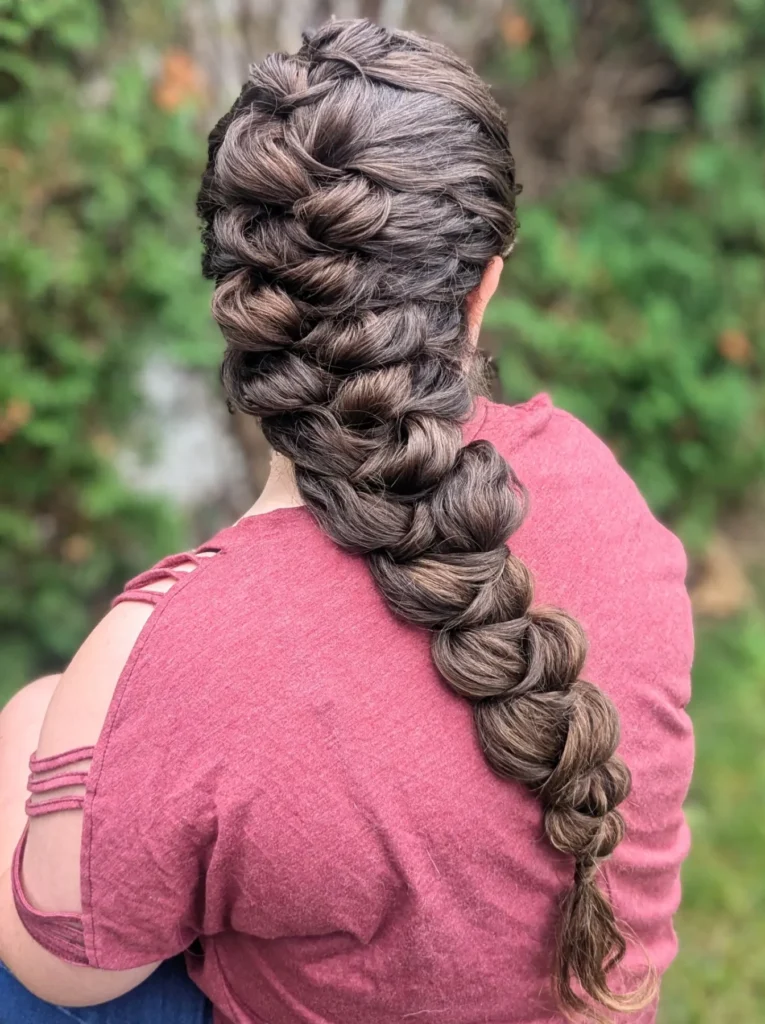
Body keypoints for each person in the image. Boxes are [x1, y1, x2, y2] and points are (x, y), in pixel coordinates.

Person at [0, 18, 694, 1024]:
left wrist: (34, 722)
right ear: (483, 288)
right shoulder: (602, 492)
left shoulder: (174, 654)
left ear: (241, 314)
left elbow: (65, 973)